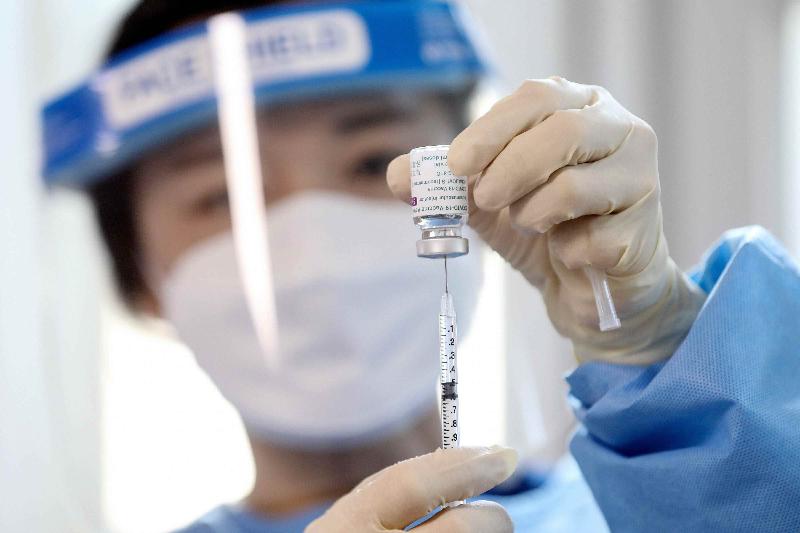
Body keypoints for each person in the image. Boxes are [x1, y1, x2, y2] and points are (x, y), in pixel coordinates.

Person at [40, 1, 800, 532]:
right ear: (138, 275)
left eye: (370, 158)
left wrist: (664, 361)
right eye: (224, 196)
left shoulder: (660, 502)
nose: (314, 246)